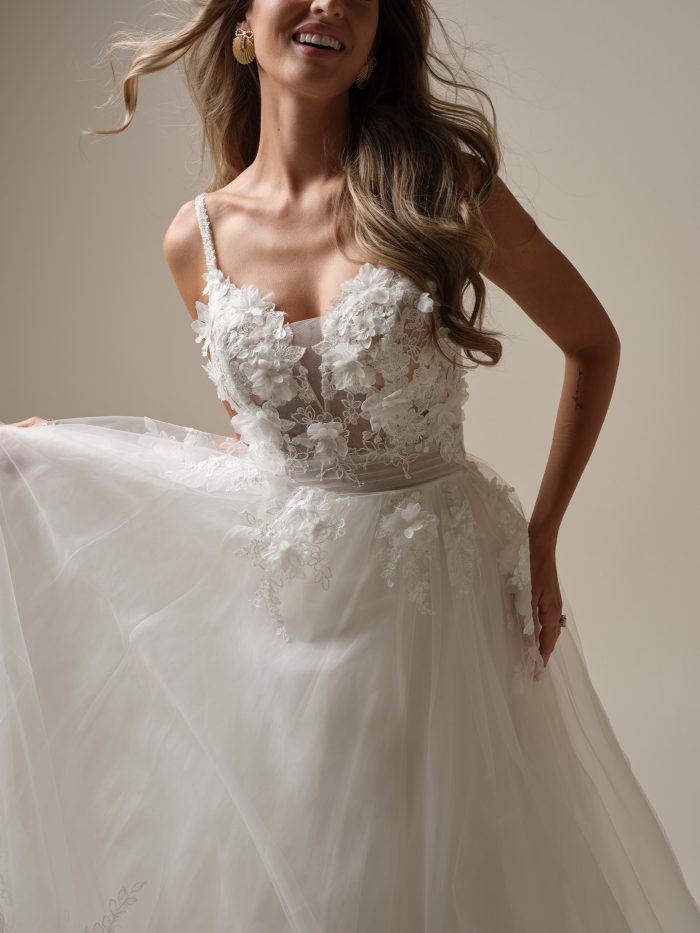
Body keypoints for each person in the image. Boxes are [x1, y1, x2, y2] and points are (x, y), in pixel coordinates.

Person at [1, 0, 699, 930]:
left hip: (442, 598)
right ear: (243, 21)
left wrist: (544, 535)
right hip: (298, 622)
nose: (331, 2)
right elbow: (272, 458)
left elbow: (593, 343)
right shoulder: (195, 239)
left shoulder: (441, 183)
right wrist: (72, 456)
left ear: (373, 41)